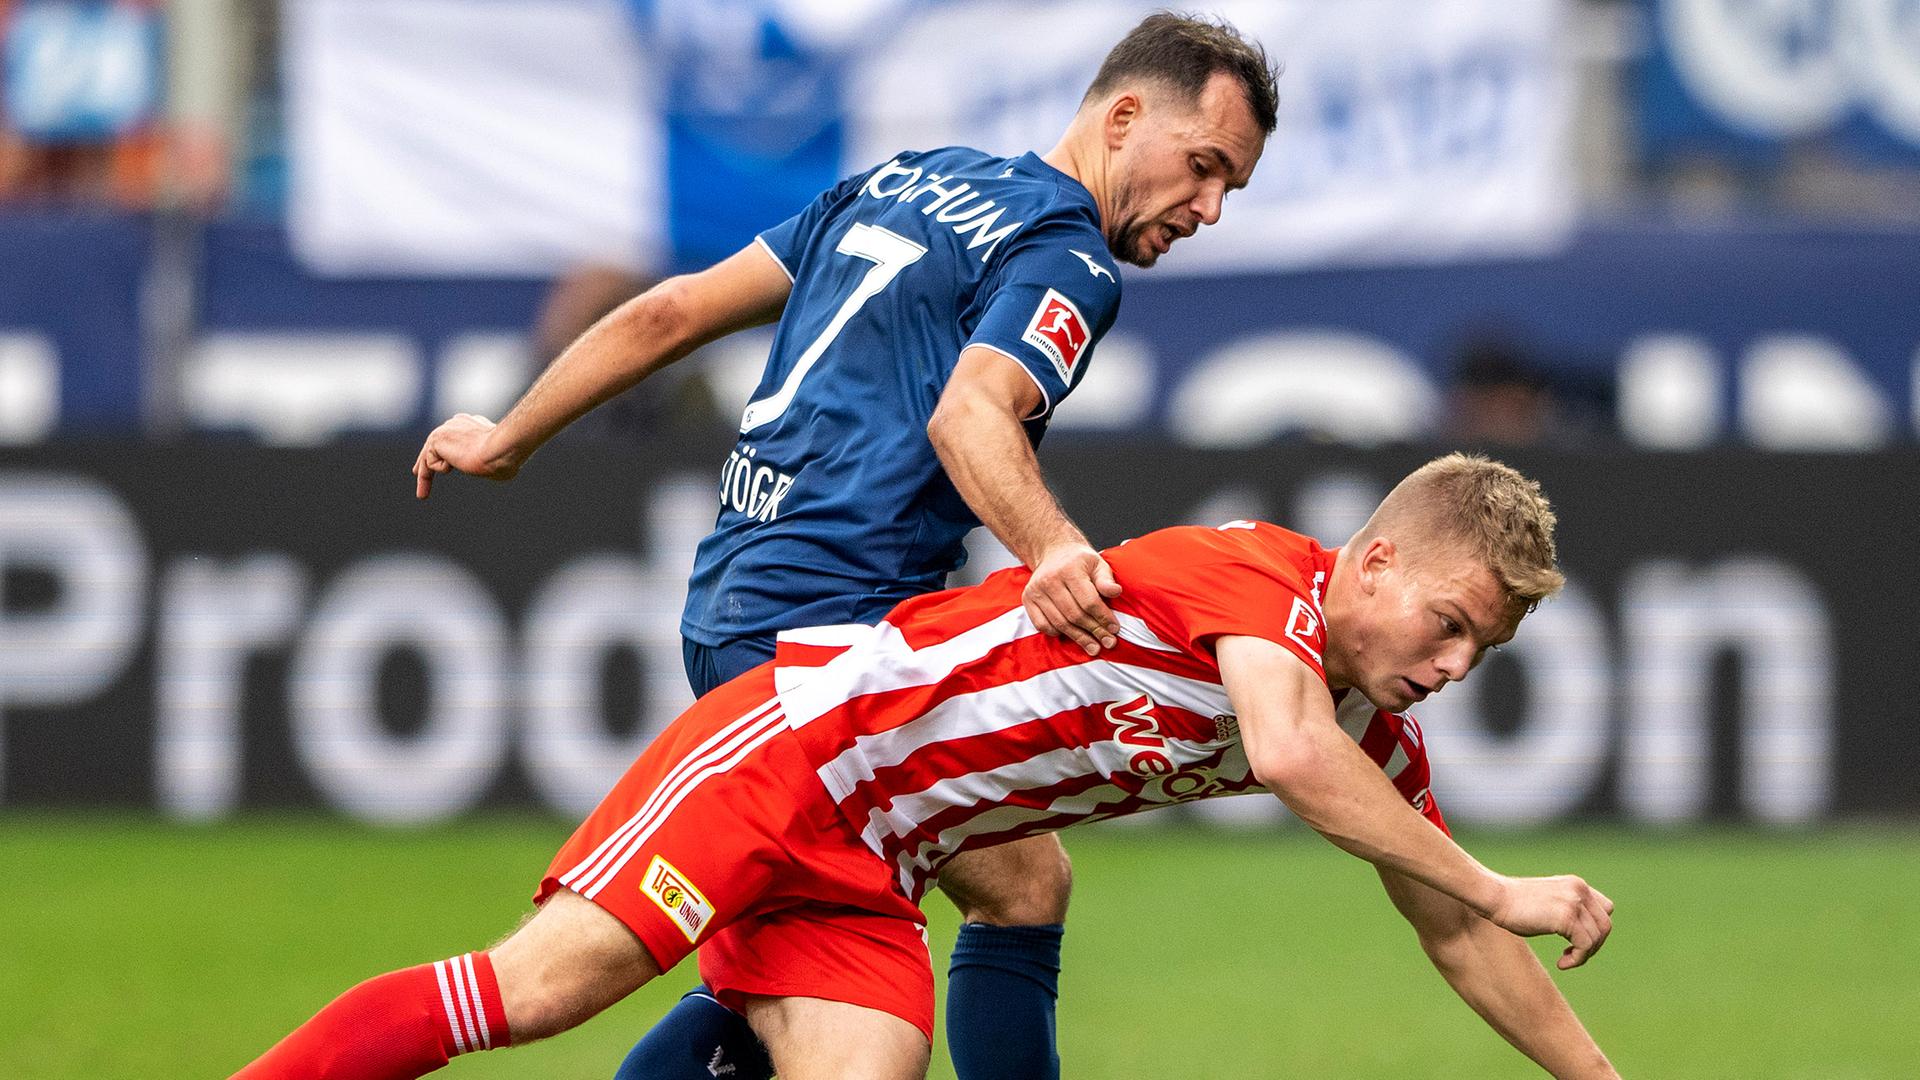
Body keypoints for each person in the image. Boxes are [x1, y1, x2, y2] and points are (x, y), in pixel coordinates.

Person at [409, 13, 1278, 1079]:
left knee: (974, 899)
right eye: (1203, 168)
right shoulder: (1064, 258)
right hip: (832, 640)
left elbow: (670, 311)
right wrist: (1052, 547)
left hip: (733, 596)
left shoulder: (905, 177)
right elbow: (970, 417)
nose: (1210, 208)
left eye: (1231, 186)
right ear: (1126, 113)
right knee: (831, 985)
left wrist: (508, 436)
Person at [234, 453, 1620, 1080]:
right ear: (1375, 562)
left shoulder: (1370, 721)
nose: (1448, 666)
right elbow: (1289, 750)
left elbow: (1449, 930)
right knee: (533, 994)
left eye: (1476, 654)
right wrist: (1502, 882)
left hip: (875, 857)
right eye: (1447, 624)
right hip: (791, 753)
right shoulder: (1267, 584)